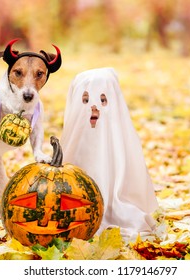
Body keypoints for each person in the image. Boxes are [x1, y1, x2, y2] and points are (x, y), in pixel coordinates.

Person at [61, 67, 158, 239]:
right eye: (85, 101)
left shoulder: (118, 141)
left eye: (103, 101)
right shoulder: (74, 141)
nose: (94, 107)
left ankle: (112, 209)